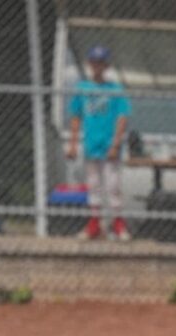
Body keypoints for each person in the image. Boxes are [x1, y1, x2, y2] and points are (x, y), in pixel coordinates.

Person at [66, 45, 131, 242]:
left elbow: (122, 117)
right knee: (93, 185)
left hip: (109, 143)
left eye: (101, 63)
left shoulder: (115, 89)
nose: (97, 67)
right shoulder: (83, 88)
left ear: (106, 66)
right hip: (91, 143)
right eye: (94, 62)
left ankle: (118, 223)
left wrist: (116, 144)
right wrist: (73, 143)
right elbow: (76, 116)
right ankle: (94, 223)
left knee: (113, 185)